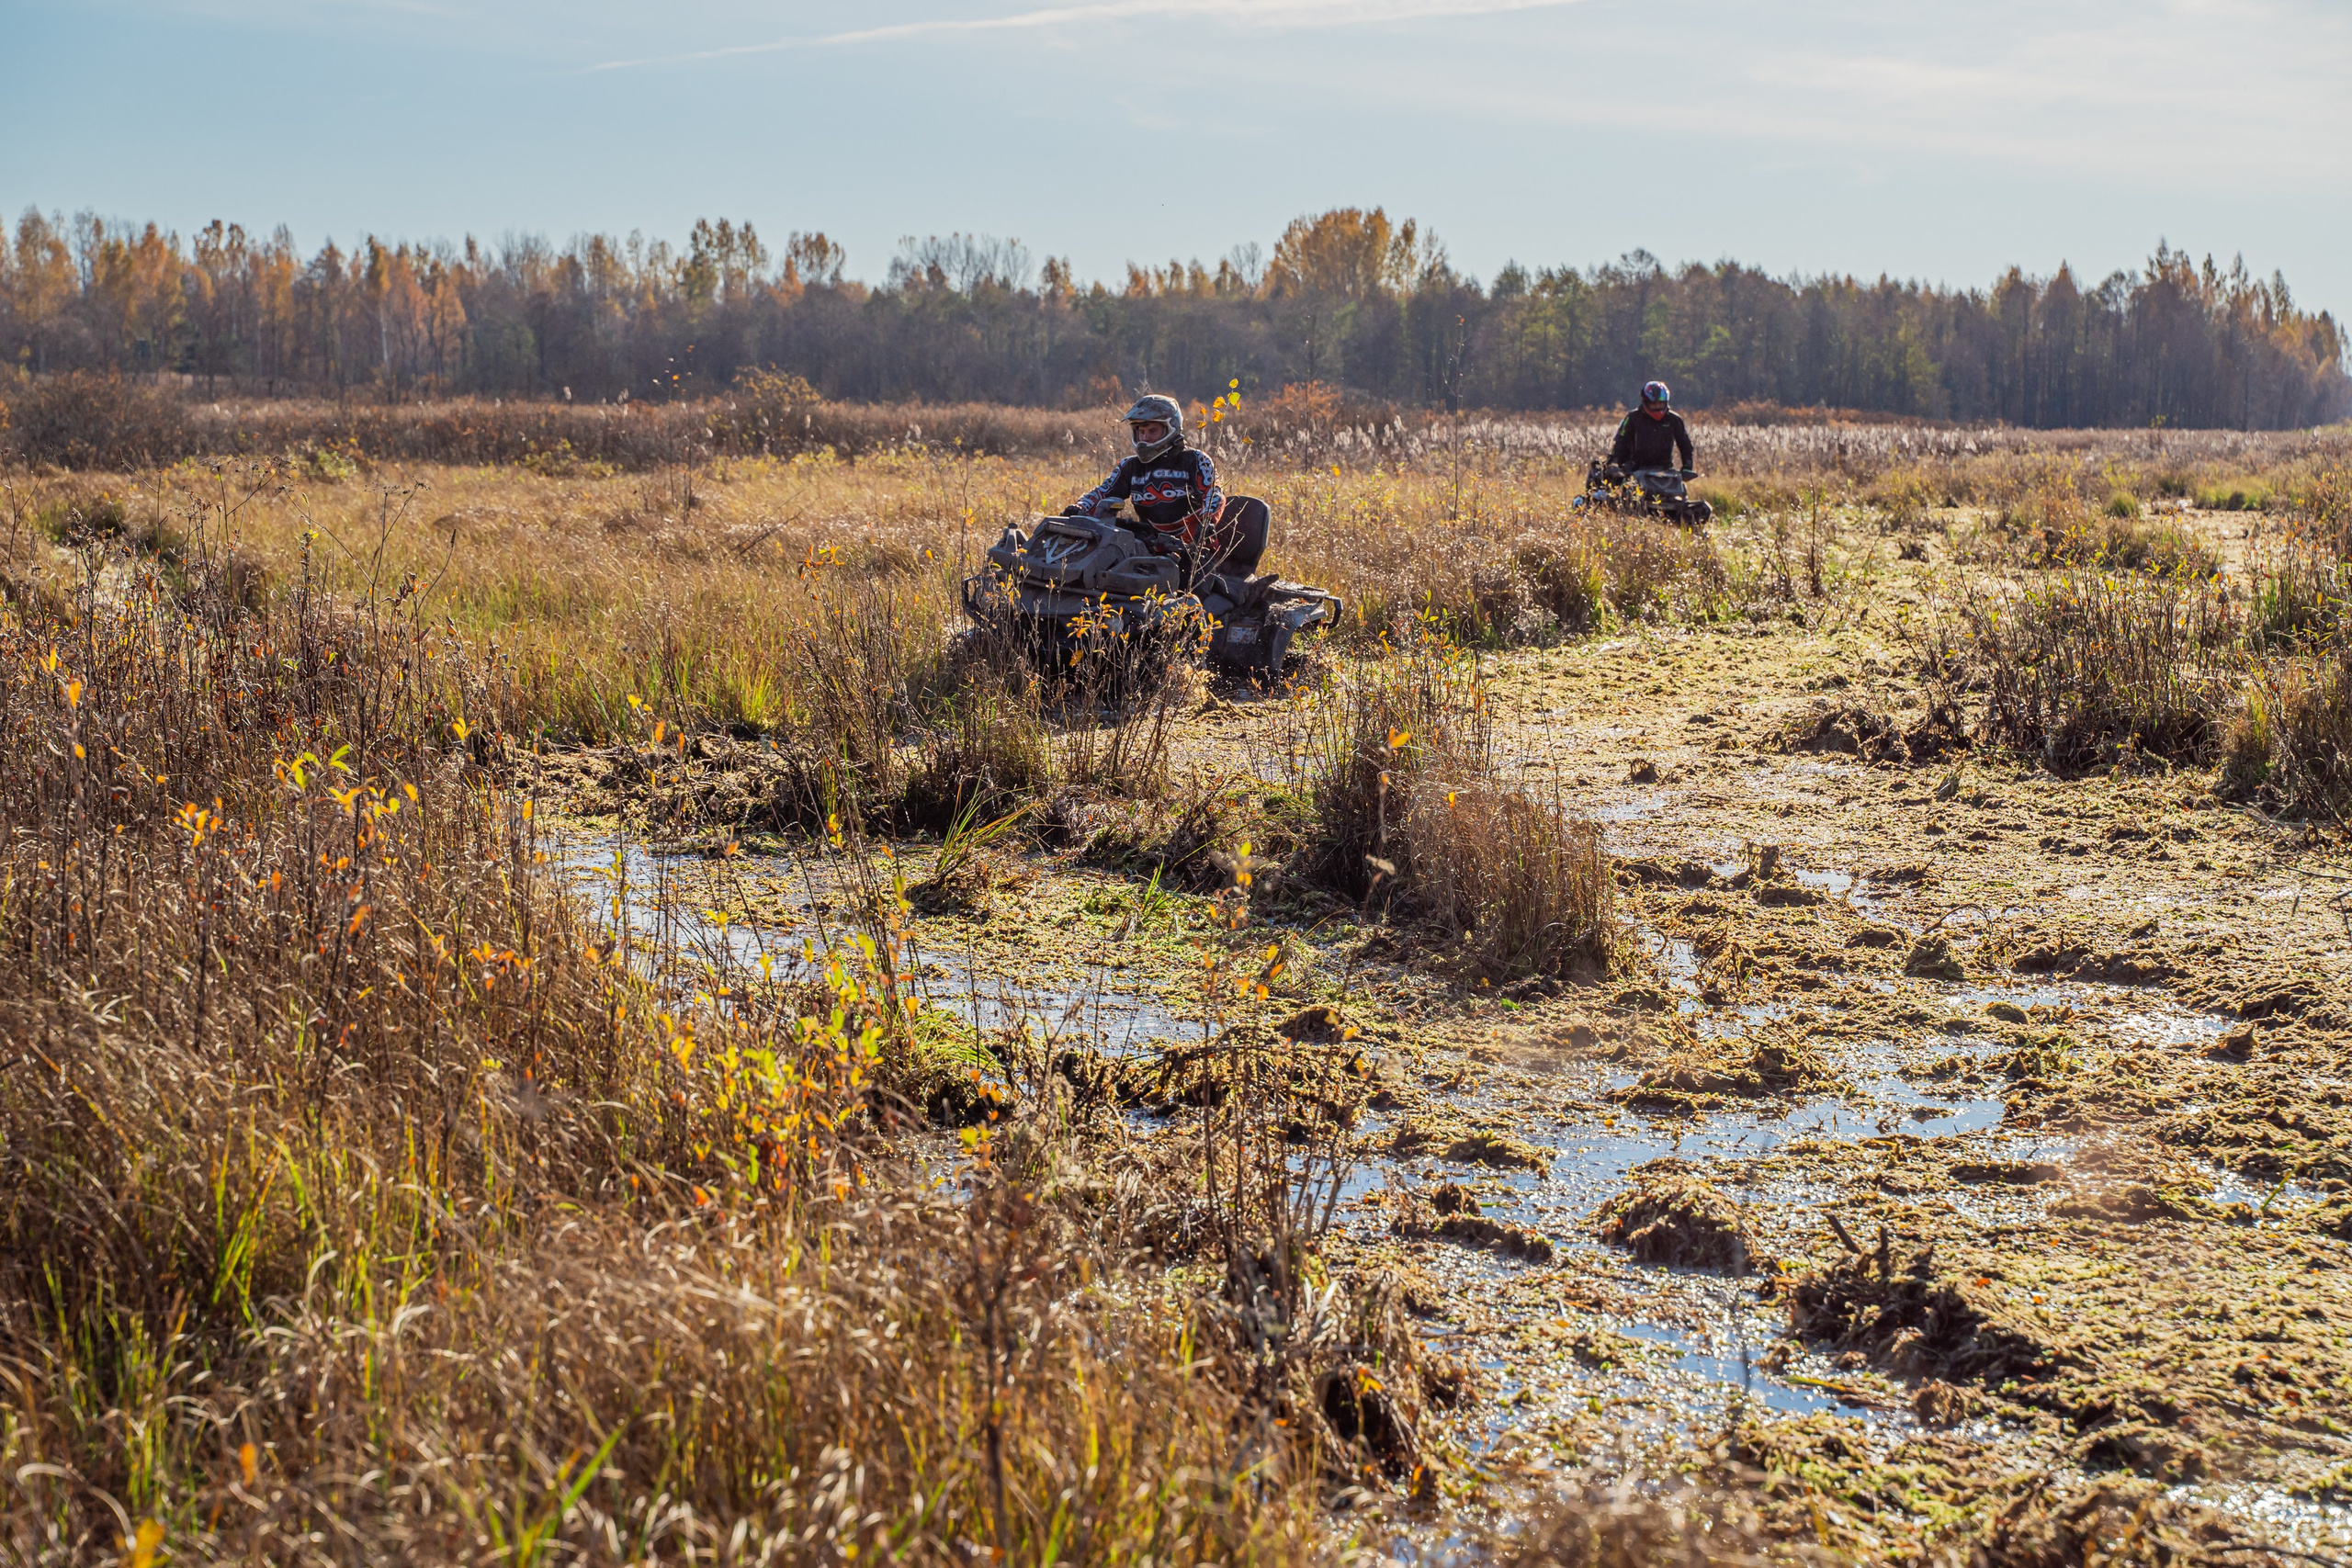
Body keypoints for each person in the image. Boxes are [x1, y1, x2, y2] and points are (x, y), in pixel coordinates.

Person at [1068, 394, 1267, 576]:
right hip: (1149, 547)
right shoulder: (1130, 466)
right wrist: (1078, 509)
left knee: (1190, 589)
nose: (1145, 437)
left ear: (1170, 428)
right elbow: (1102, 492)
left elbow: (1214, 494)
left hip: (1194, 550)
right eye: (1141, 431)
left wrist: (1207, 523)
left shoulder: (1194, 460)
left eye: (1152, 431)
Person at [1605, 380, 1694, 479]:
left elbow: (1685, 444)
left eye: (1660, 404)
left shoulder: (1674, 420)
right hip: (1634, 469)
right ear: (1645, 402)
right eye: (1654, 404)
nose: (1657, 407)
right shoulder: (1633, 418)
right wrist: (1614, 463)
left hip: (1664, 470)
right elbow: (1620, 441)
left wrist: (1687, 467)